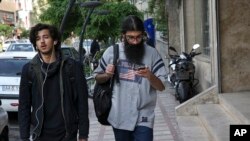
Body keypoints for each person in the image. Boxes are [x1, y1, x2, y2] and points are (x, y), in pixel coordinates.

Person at [93, 15, 167, 141]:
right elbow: (97, 77)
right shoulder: (112, 52)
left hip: (144, 116)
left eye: (139, 37)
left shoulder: (152, 54)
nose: (135, 41)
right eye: (130, 37)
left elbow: (161, 86)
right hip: (119, 116)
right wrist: (107, 75)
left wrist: (150, 76)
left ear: (143, 34)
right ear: (123, 35)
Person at [18, 23, 89, 141]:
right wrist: (24, 137)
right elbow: (24, 105)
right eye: (38, 39)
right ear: (35, 44)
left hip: (67, 134)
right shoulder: (29, 70)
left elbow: (82, 103)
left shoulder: (72, 67)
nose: (42, 42)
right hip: (40, 135)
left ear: (55, 40)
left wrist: (83, 134)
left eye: (46, 37)